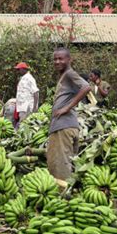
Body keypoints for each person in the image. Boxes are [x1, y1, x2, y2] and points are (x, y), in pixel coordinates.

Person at [47, 48, 91, 180]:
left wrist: (66, 108)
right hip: (66, 126)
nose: (57, 61)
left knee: (60, 167)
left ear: (69, 59)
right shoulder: (64, 76)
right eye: (55, 59)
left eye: (61, 58)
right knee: (68, 165)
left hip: (63, 127)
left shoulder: (69, 74)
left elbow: (86, 87)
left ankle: (62, 198)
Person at [14, 62, 39, 126]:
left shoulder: (30, 78)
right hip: (22, 107)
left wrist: (35, 107)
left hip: (27, 107)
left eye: (19, 69)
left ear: (23, 69)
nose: (18, 71)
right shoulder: (23, 78)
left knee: (24, 125)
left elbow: (36, 92)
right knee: (23, 124)